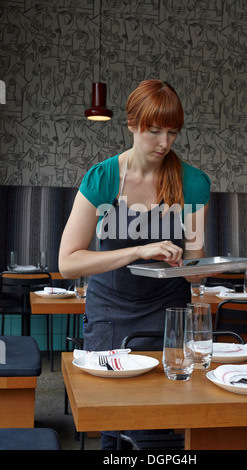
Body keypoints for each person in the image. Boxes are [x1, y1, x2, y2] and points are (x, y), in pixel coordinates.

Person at [59, 79, 210, 449]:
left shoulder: (193, 182)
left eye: (172, 132)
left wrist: (204, 268)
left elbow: (194, 261)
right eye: (154, 131)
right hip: (110, 313)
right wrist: (138, 251)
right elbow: (68, 263)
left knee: (160, 426)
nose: (165, 143)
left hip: (170, 316)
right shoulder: (103, 178)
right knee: (114, 423)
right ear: (132, 125)